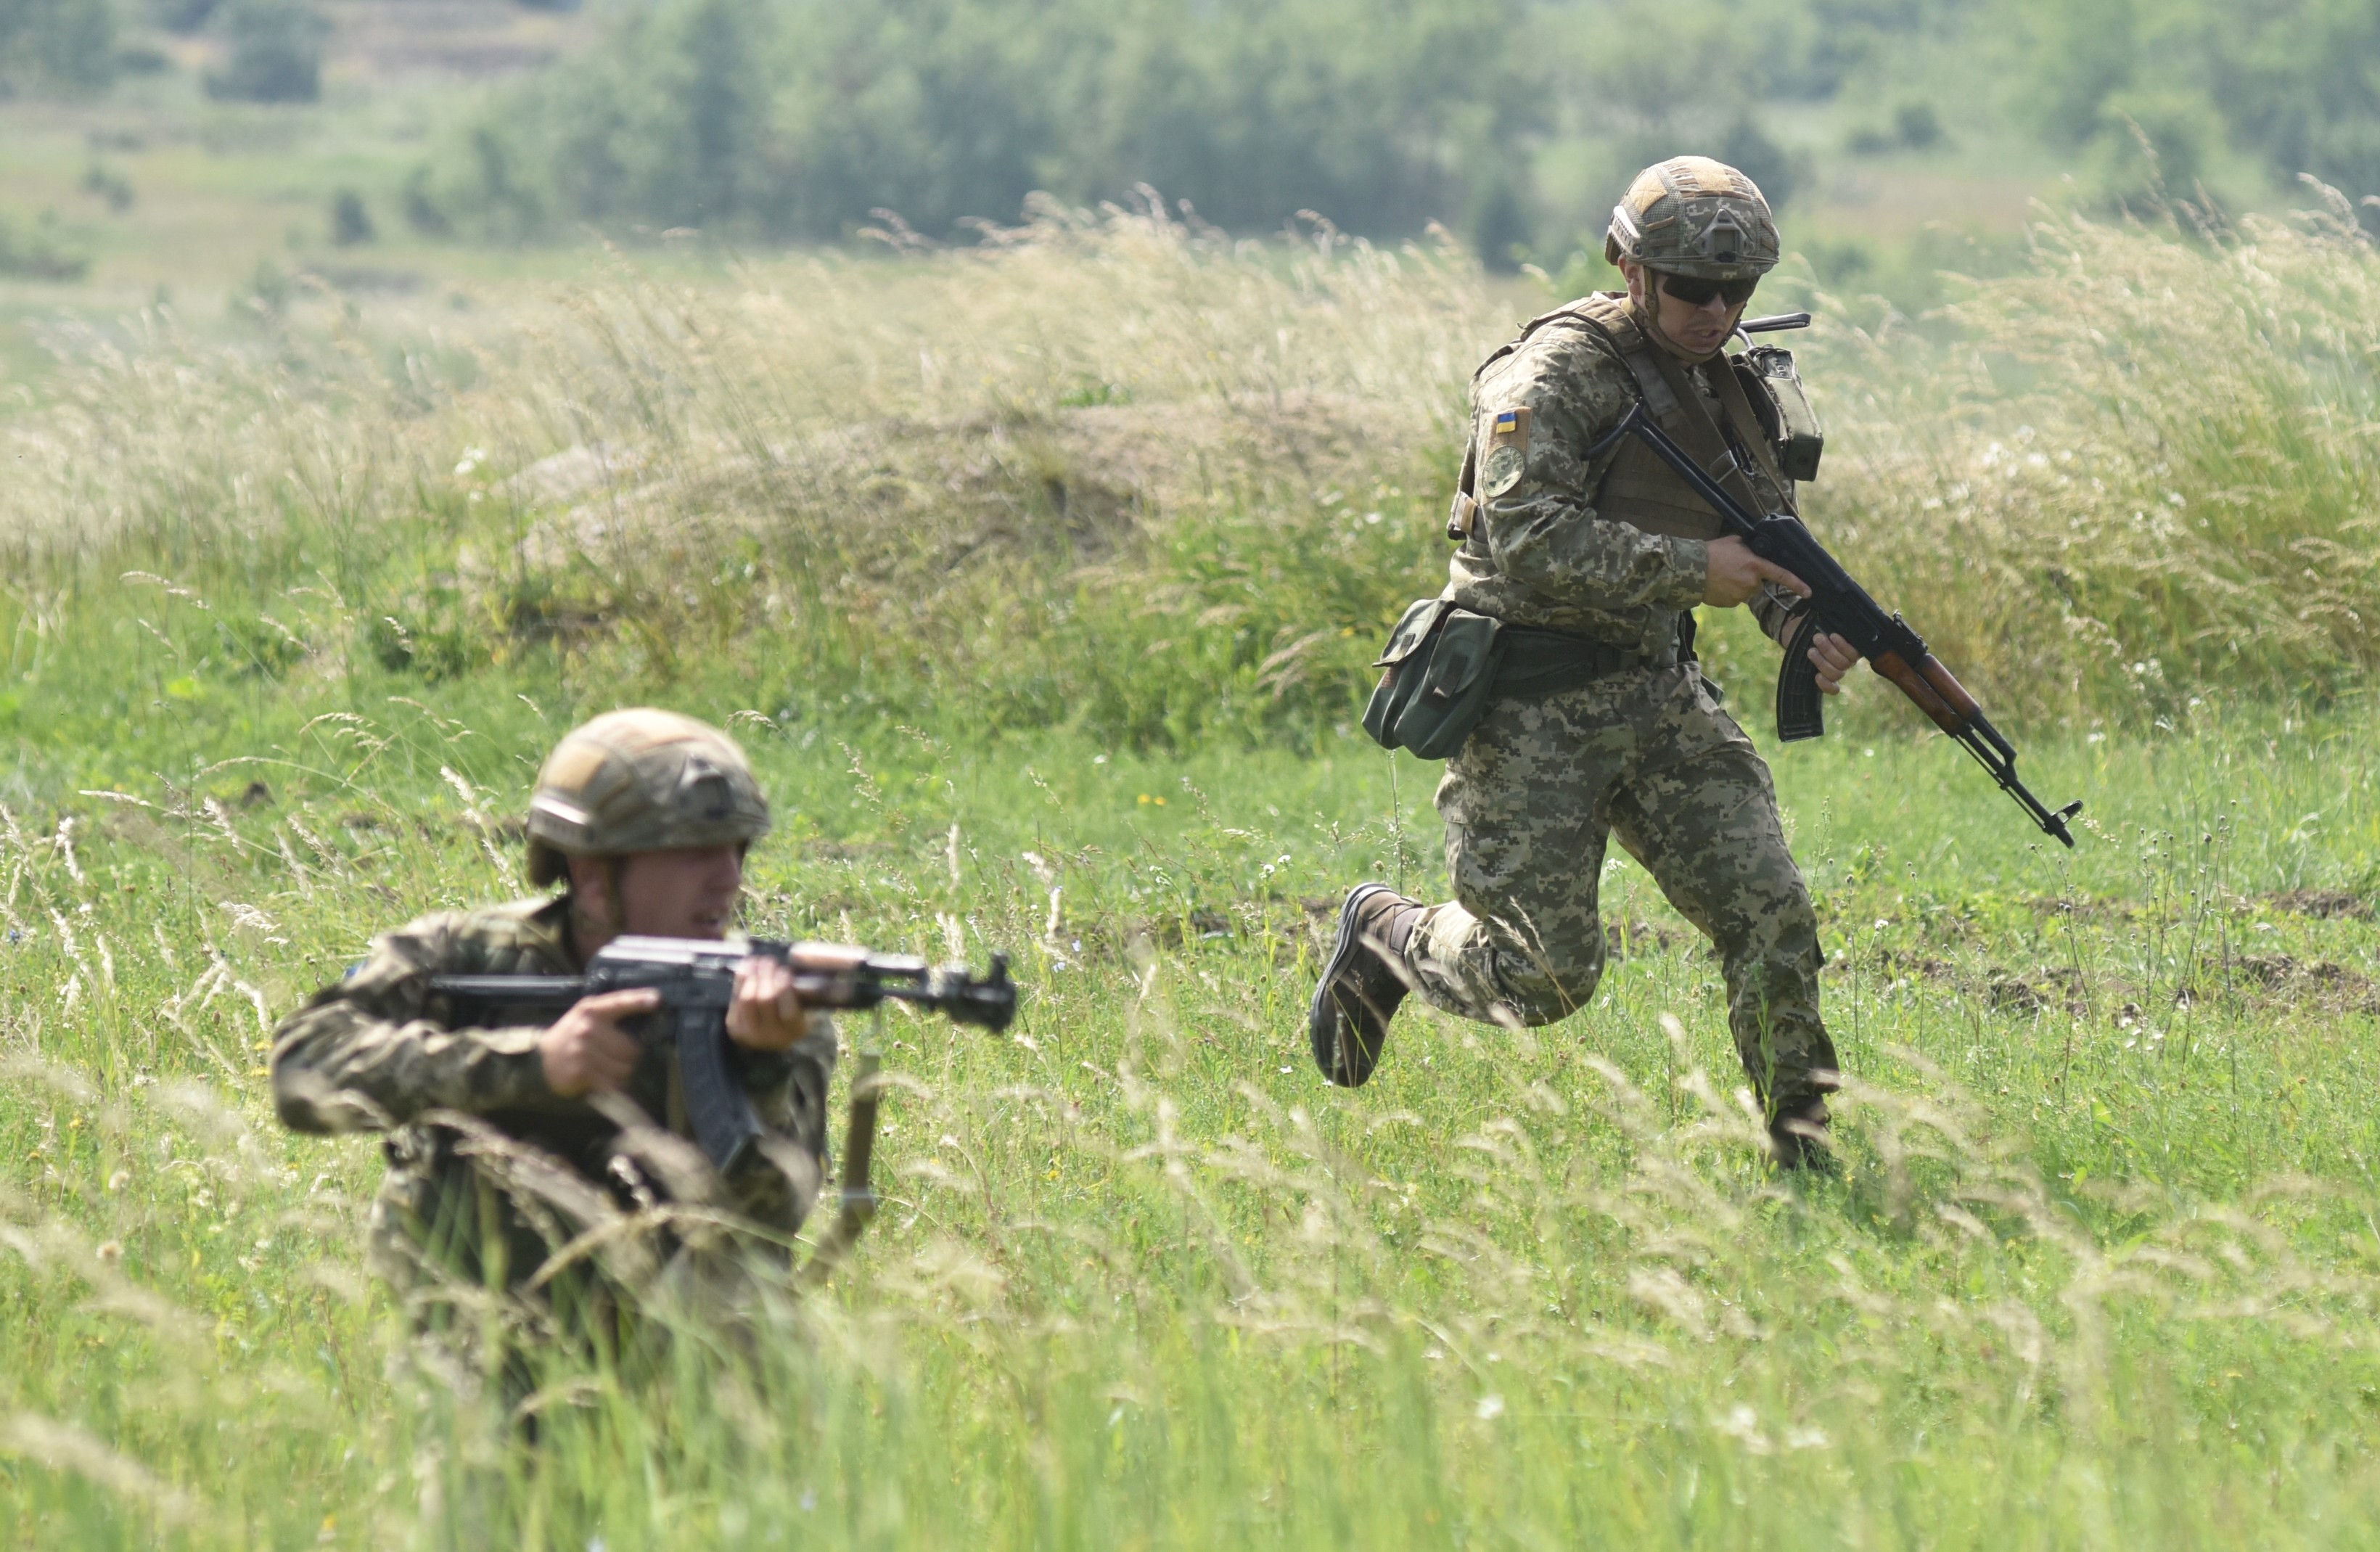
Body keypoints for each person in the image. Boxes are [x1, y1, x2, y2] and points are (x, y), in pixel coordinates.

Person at [1309, 156, 1858, 1166]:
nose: (1719, 310)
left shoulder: (1728, 384)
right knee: (1542, 976)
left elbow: (1763, 541)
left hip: (1656, 690)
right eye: (1695, 288)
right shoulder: (1551, 376)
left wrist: (1798, 627)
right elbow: (1527, 537)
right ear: (1630, 267)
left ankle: (1806, 1153)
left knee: (1771, 912)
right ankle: (1388, 935)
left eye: (1740, 291)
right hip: (1529, 702)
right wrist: (1699, 569)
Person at [271, 709, 837, 1358]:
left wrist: (762, 1068)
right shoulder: (463, 956)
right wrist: (531, 1064)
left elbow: (764, 1226)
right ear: (594, 877)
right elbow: (302, 1068)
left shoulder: (772, 1004)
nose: (729, 878)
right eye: (693, 852)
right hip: (488, 1353)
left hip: (692, 1370)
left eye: (738, 848)